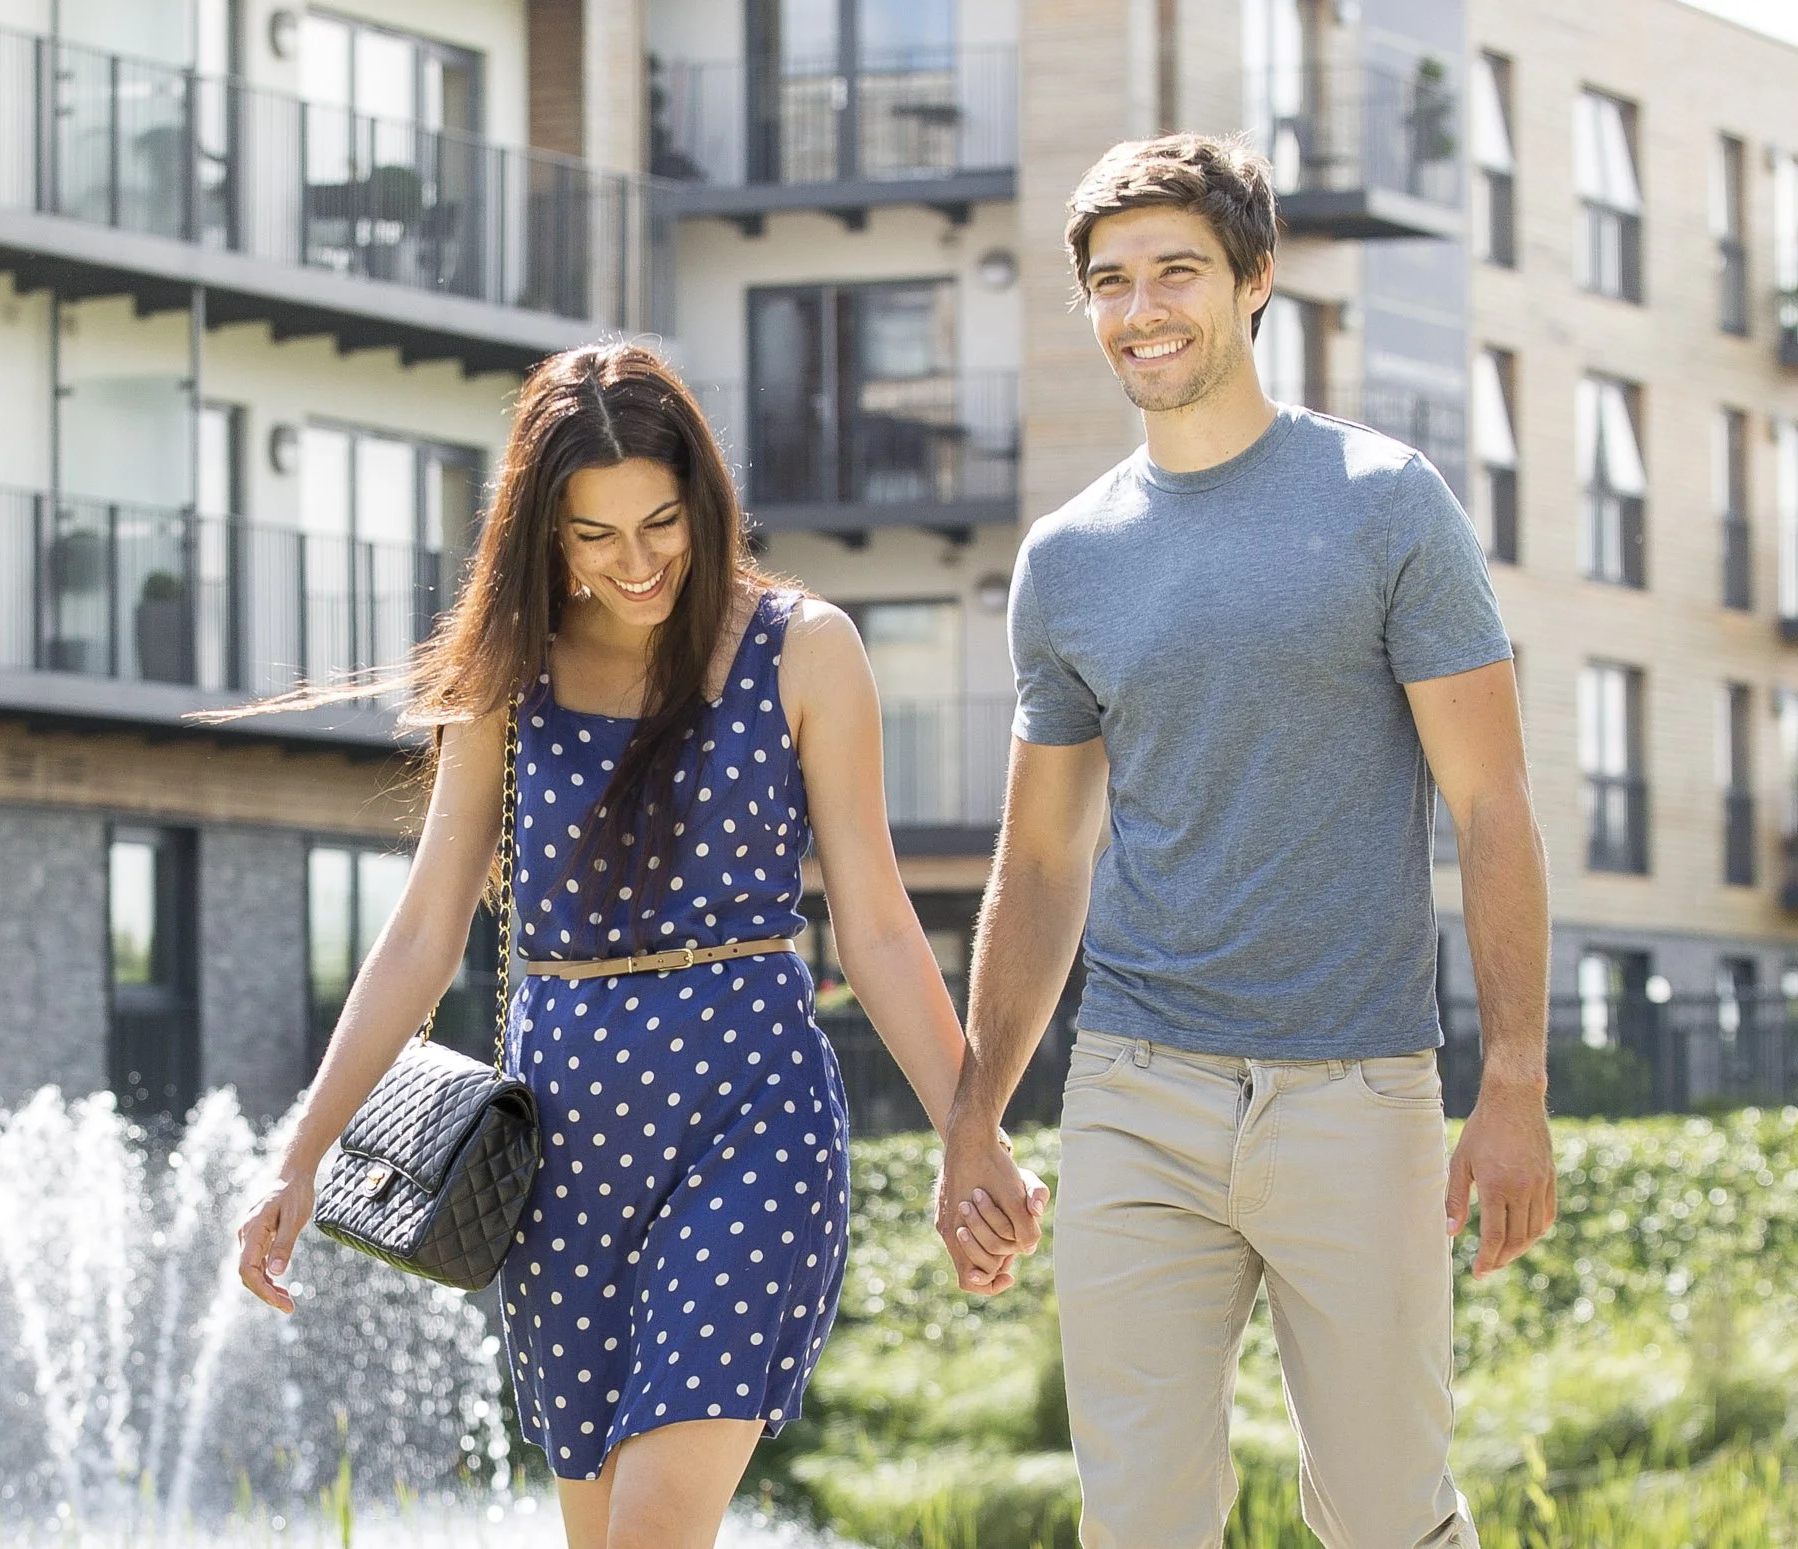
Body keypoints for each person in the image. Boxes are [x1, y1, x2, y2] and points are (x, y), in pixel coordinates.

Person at [230, 341, 1047, 1549]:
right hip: (556, 1155)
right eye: (593, 535)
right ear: (543, 534)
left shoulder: (803, 647)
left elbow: (873, 924)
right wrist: (299, 1155)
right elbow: (422, 930)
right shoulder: (507, 677)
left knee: (654, 1531)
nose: (635, 562)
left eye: (659, 522)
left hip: (750, 1114)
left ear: (703, 500)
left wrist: (968, 1135)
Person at [933, 135, 1557, 1549]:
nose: (1141, 309)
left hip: (1357, 1087)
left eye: (1176, 272)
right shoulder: (1068, 557)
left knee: (1389, 1516)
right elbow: (1041, 863)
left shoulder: (1385, 501)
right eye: (1109, 283)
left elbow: (1493, 806)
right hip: (1137, 1090)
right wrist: (976, 1116)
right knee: (1138, 1521)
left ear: (1254, 279)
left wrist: (1513, 1074)